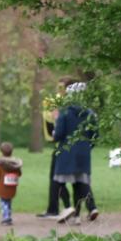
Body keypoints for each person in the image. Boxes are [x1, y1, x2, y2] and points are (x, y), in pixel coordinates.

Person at [53, 81, 99, 224]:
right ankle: (77, 216)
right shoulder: (90, 113)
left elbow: (59, 134)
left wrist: (54, 133)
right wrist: (87, 146)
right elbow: (95, 134)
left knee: (59, 182)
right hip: (84, 152)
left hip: (67, 151)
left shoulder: (65, 112)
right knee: (80, 184)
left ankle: (68, 207)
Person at [36, 80, 71, 218]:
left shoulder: (60, 103)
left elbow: (54, 123)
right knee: (70, 180)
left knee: (56, 179)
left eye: (61, 87)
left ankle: (60, 208)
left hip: (61, 147)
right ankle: (66, 208)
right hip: (66, 147)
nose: (59, 90)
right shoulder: (68, 103)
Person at [0, 142, 23, 225]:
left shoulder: (0, 163)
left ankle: (6, 218)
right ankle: (8, 216)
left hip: (2, 187)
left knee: (3, 202)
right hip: (12, 187)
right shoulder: (15, 164)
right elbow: (19, 174)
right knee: (8, 202)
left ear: (1, 152)